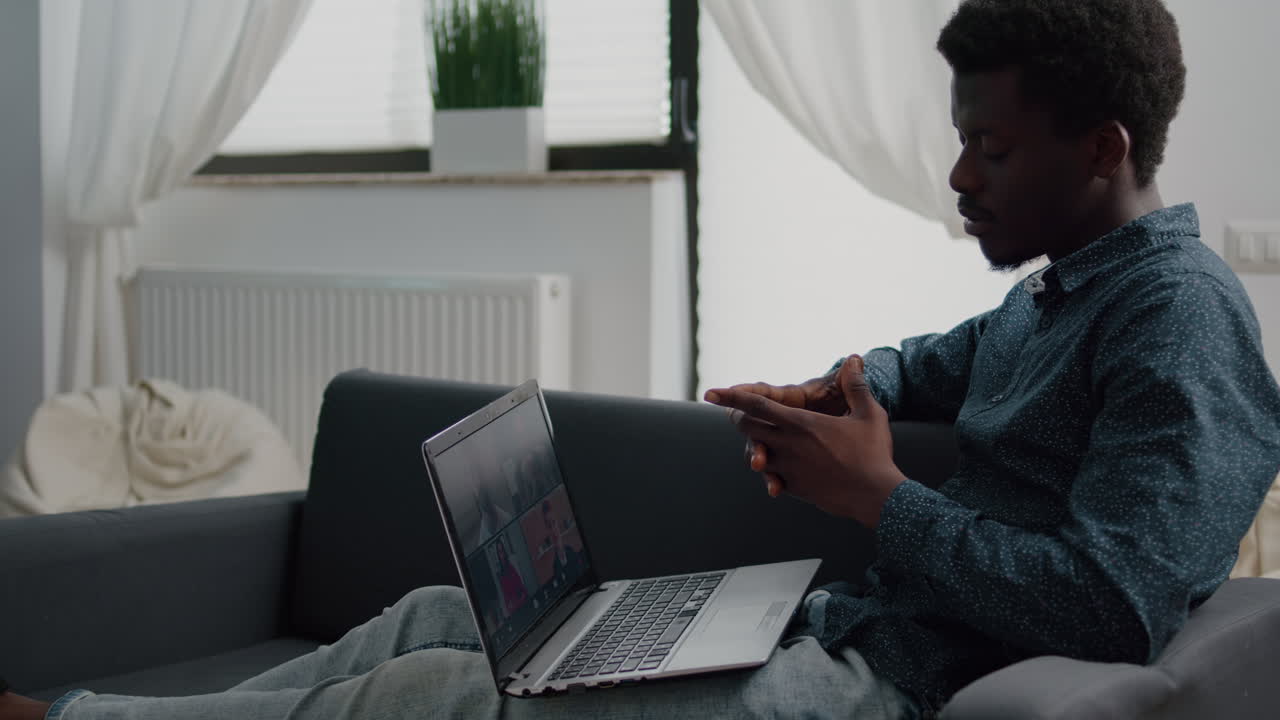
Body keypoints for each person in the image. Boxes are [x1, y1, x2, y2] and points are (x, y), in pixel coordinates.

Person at [4, 1, 1280, 718]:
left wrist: (874, 496)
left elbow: (1113, 609)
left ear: (1103, 146)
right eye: (958, 142)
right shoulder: (1064, 290)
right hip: (839, 631)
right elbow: (931, 361)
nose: (957, 178)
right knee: (444, 612)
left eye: (990, 151)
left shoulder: (1176, 323)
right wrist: (836, 394)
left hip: (877, 690)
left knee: (449, 690)